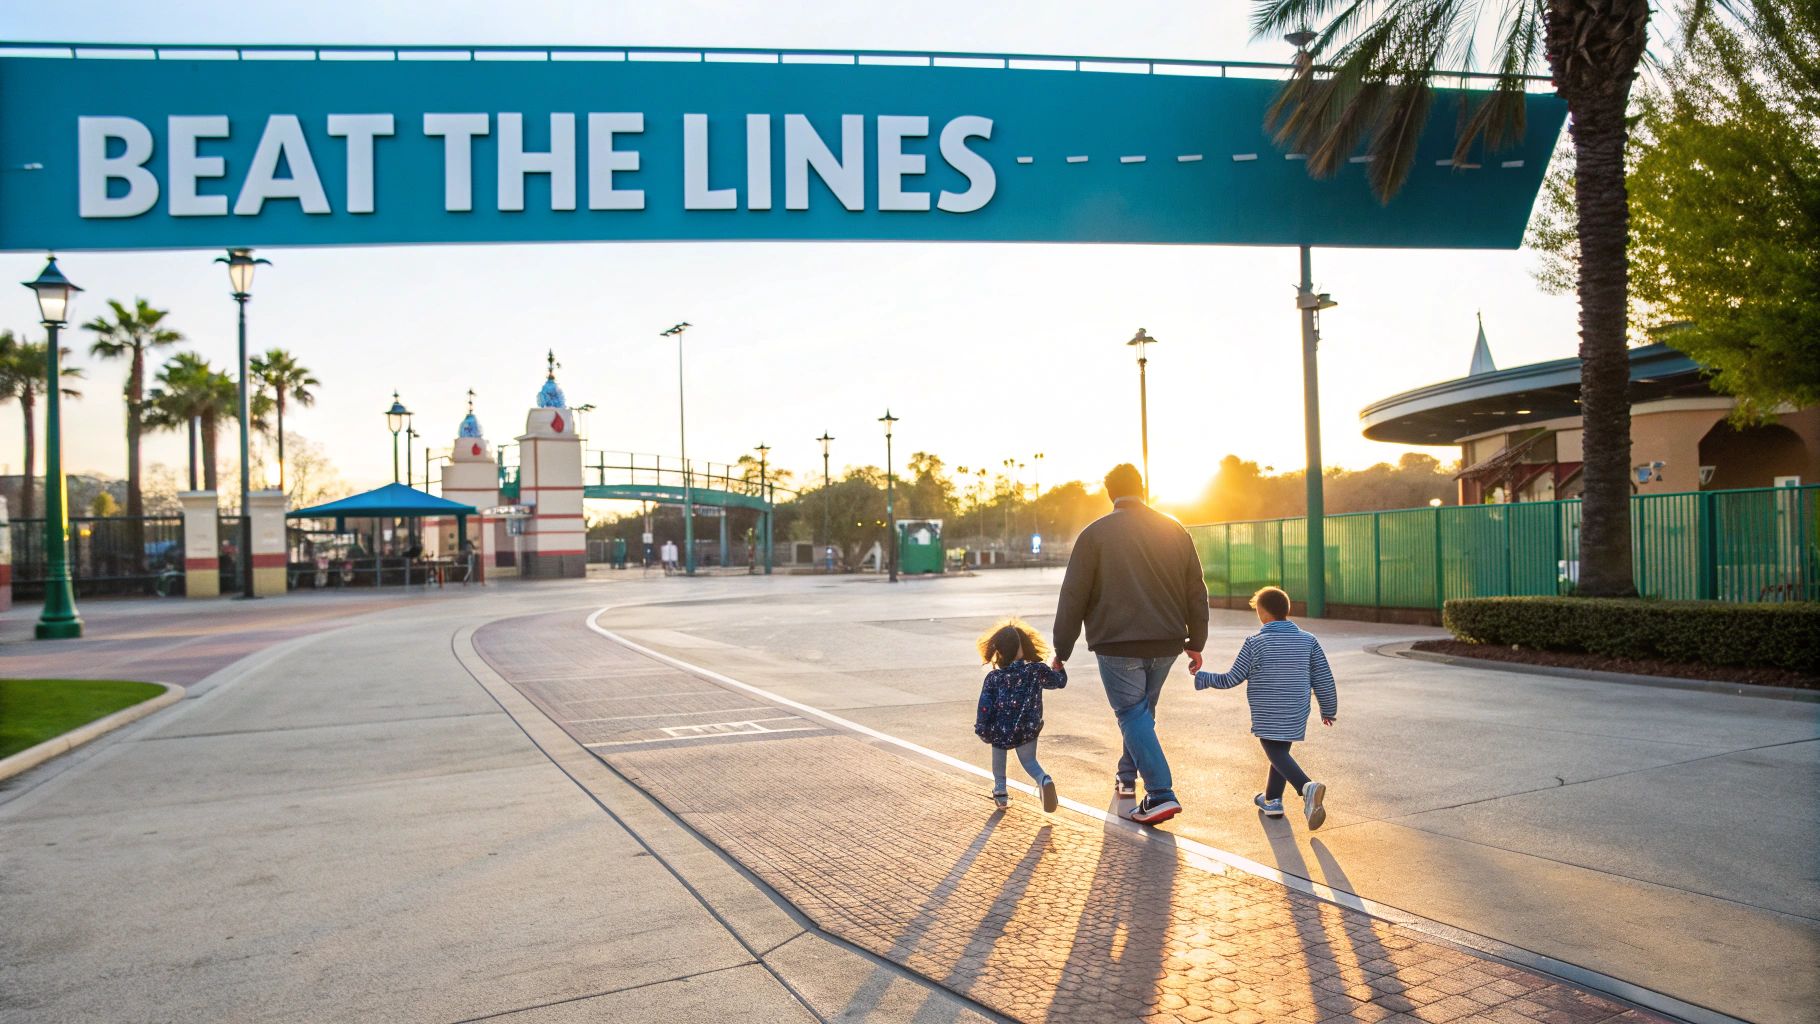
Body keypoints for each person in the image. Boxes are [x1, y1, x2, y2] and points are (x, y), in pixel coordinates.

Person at [1052, 463, 1208, 826]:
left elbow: (1073, 595)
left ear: (1110, 494)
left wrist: (1062, 649)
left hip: (1117, 642)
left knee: (1131, 714)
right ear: (1142, 488)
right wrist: (1195, 640)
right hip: (1168, 641)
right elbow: (1195, 590)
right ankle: (1126, 778)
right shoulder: (1174, 529)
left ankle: (1161, 794)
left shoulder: (1095, 535)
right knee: (1141, 714)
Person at [1193, 585, 1338, 830]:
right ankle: (1272, 800)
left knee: (1275, 751)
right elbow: (1323, 677)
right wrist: (1328, 708)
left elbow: (1232, 678)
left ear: (1263, 613)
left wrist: (1203, 678)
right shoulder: (1308, 640)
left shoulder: (1255, 643)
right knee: (1280, 751)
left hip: (1268, 711)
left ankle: (1306, 787)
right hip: (1296, 709)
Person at [974, 618, 1067, 812]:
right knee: (1030, 762)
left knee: (998, 758)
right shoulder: (1035, 670)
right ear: (1023, 648)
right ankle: (1044, 779)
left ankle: (1000, 791)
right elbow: (1058, 682)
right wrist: (1058, 667)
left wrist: (983, 728)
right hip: (1027, 727)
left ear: (998, 651)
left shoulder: (994, 678)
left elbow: (985, 706)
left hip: (1000, 729)